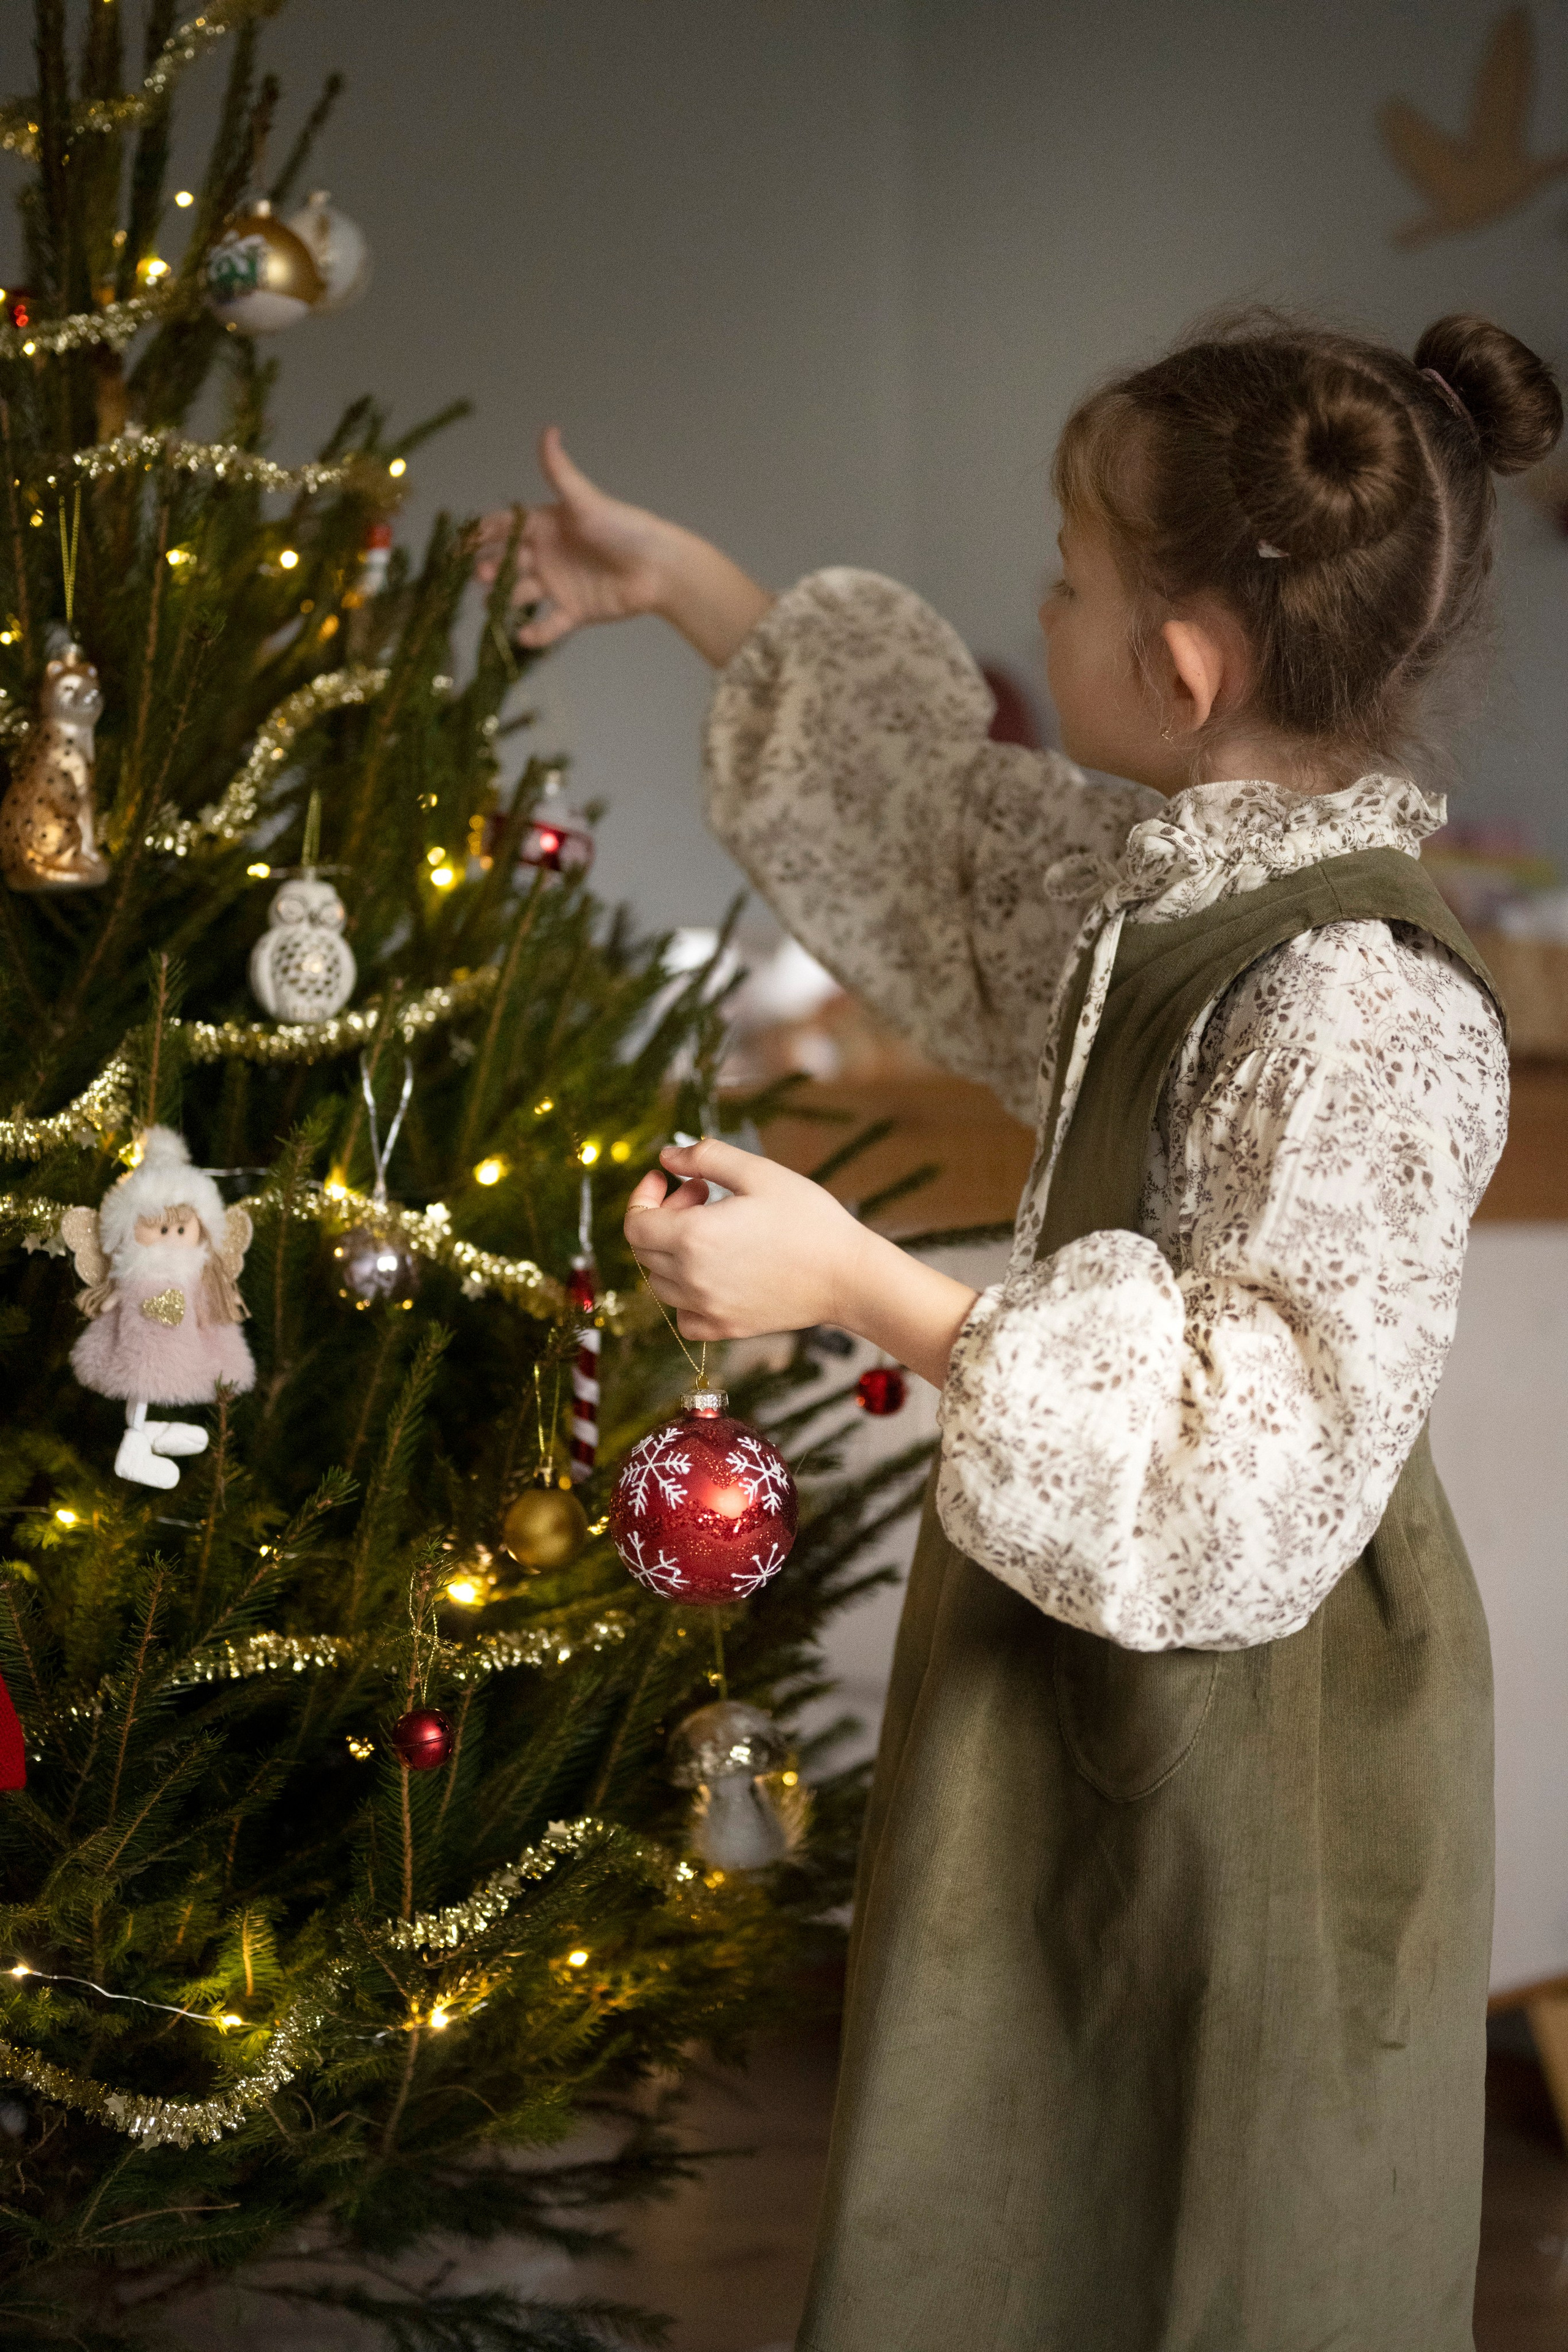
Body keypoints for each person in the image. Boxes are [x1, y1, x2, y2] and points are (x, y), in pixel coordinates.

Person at [478, 309, 1561, 2351]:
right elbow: (943, 828)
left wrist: (869, 1288)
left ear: (1184, 664)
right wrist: (680, 585)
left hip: (1264, 1725)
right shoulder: (1160, 881)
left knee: (1223, 2227)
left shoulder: (1368, 1008)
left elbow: (1244, 1485)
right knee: (1010, 2200)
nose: (1038, 616)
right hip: (1074, 1651)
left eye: (1068, 580)